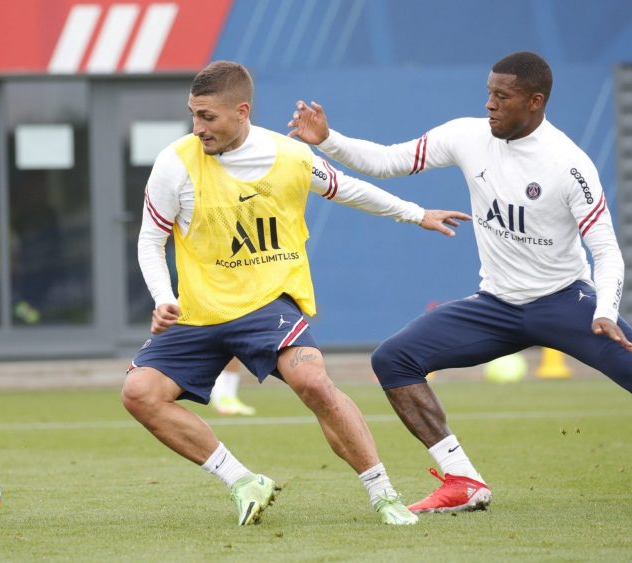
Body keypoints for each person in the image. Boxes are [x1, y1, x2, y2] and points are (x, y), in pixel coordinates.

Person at [286, 51, 632, 513]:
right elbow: (387, 161)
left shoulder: (569, 165)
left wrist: (605, 312)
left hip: (564, 302)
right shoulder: (467, 135)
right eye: (488, 93)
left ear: (535, 101)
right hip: (497, 306)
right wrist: (328, 140)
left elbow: (608, 252)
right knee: (393, 359)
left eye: (502, 96)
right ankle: (463, 479)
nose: (489, 103)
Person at [122, 60, 470, 526]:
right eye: (193, 114)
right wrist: (164, 297)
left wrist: (416, 213)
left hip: (268, 302)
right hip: (198, 311)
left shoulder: (289, 155)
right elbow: (150, 239)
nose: (197, 127)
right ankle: (243, 480)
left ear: (242, 111)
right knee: (139, 393)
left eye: (208, 116)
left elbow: (349, 189)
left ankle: (384, 495)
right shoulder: (175, 163)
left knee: (312, 382)